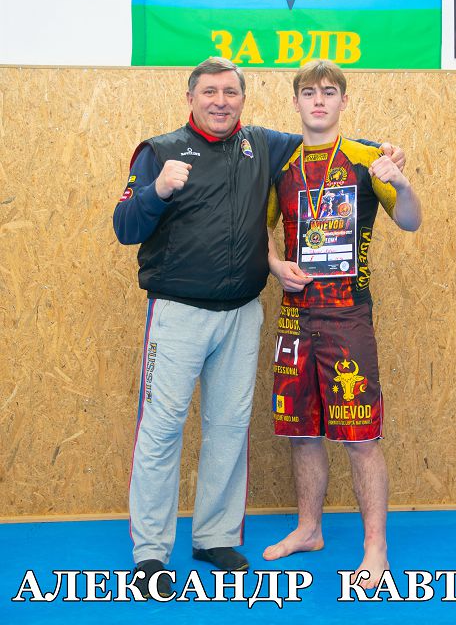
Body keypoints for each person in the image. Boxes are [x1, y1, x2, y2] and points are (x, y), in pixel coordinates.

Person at [113, 56, 404, 599]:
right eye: (209, 92)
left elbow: (329, 138)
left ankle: (215, 537)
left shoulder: (264, 145)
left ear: (244, 100)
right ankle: (151, 551)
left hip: (242, 314)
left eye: (231, 92)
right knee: (162, 430)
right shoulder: (159, 151)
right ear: (190, 97)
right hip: (178, 312)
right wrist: (158, 191)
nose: (220, 101)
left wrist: (387, 152)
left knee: (228, 427)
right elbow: (124, 225)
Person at [263, 60, 421, 590]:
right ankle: (309, 529)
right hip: (294, 316)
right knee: (301, 431)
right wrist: (274, 264)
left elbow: (410, 220)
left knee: (360, 436)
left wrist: (401, 182)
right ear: (295, 102)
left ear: (343, 101)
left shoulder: (367, 157)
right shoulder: (281, 164)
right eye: (309, 92)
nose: (319, 101)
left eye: (329, 92)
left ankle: (375, 549)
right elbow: (261, 228)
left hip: (347, 315)